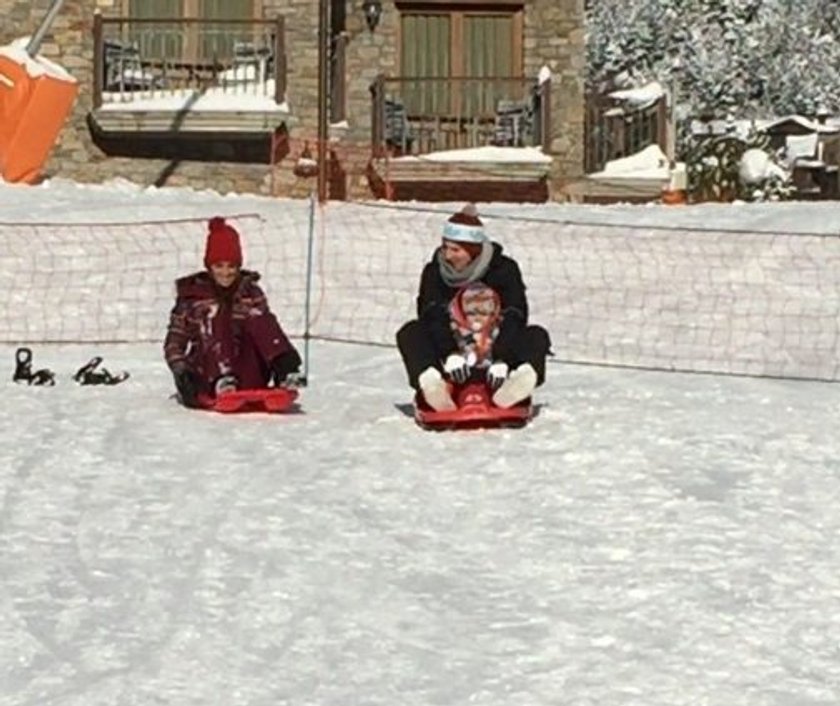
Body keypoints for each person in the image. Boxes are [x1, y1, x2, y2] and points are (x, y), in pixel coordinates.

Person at [396, 204, 551, 411]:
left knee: (536, 335)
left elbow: (515, 314)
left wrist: (502, 357)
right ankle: (434, 383)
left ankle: (517, 383)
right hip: (453, 359)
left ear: (473, 250)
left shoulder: (503, 270)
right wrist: (450, 353)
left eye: (456, 250)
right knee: (411, 333)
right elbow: (431, 314)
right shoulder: (435, 273)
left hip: (496, 358)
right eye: (445, 248)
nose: (448, 255)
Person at [164, 216, 302, 408]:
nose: (226, 272)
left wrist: (279, 358)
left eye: (231, 266)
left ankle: (286, 369)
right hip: (207, 374)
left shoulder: (250, 292)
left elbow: (267, 330)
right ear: (209, 267)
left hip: (247, 371)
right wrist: (181, 372)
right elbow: (174, 342)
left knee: (258, 317)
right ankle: (223, 379)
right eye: (219, 266)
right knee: (213, 314)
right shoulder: (193, 298)